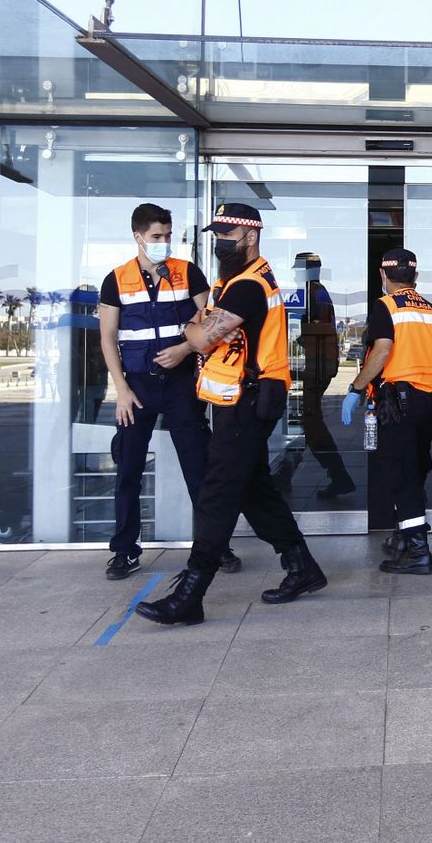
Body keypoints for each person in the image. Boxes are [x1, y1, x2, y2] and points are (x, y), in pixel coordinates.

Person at [136, 203, 326, 626]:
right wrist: (200, 324)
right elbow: (207, 330)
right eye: (217, 234)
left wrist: (194, 325)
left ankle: (192, 590)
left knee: (218, 489)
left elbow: (202, 338)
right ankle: (301, 566)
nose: (220, 242)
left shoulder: (246, 286)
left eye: (228, 235)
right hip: (244, 399)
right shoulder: (236, 282)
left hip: (248, 400)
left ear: (250, 236)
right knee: (252, 488)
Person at [96, 203, 232, 582]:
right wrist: (120, 389)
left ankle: (215, 546)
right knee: (128, 470)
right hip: (136, 386)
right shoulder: (116, 280)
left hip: (180, 383)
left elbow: (211, 320)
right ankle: (124, 551)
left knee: (199, 468)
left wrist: (185, 349)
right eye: (157, 237)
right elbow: (107, 338)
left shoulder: (187, 272)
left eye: (168, 236)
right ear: (138, 236)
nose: (164, 243)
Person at [341, 248, 432, 575]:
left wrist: (356, 388)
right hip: (430, 401)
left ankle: (418, 550)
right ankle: (405, 536)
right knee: (413, 469)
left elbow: (383, 350)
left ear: (383, 275)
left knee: (403, 475)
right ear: (414, 277)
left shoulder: (385, 305)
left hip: (400, 402)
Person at [292, 252, 355, 500]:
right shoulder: (317, 292)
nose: (296, 274)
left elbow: (314, 330)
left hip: (318, 363)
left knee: (310, 420)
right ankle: (334, 475)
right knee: (309, 419)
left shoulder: (312, 292)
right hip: (319, 361)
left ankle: (338, 476)